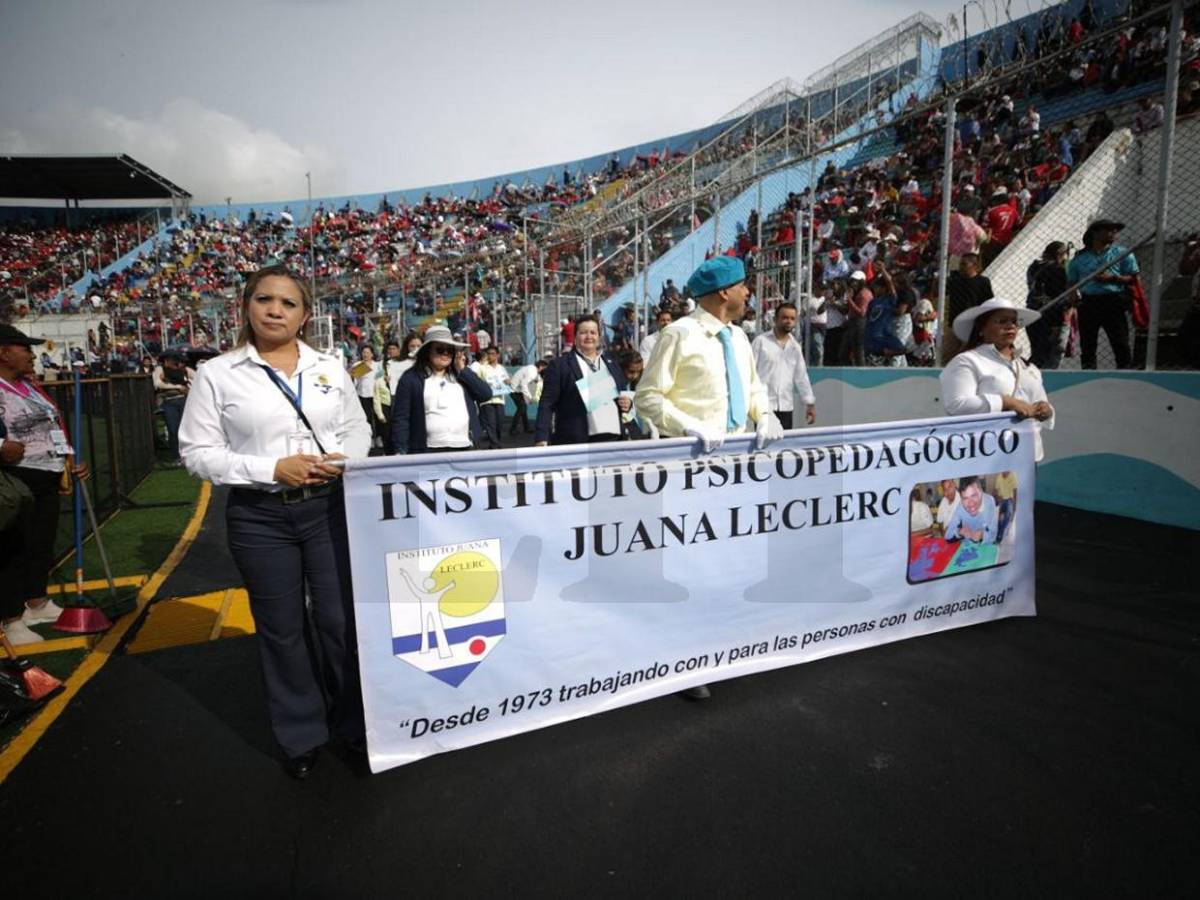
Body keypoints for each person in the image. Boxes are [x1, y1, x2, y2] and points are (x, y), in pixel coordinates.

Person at [178, 264, 371, 780]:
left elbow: (358, 427)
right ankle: (301, 735)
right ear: (246, 306)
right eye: (264, 299)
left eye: (288, 303)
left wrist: (343, 457)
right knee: (282, 630)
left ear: (305, 315)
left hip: (329, 507)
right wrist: (270, 469)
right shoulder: (219, 373)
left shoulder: (330, 366)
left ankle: (355, 724)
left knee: (339, 622)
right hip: (259, 518)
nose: (275, 310)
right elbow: (197, 454)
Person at [635, 256, 782, 701]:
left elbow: (752, 388)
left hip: (737, 470)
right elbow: (648, 397)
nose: (748, 294)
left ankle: (721, 646)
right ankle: (684, 661)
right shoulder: (678, 334)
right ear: (724, 293)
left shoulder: (738, 337)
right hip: (692, 470)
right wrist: (688, 425)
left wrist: (766, 413)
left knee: (732, 560)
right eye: (743, 287)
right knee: (691, 566)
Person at [0, 325, 86, 645]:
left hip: (46, 474)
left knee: (40, 543)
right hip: (15, 478)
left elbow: (52, 424)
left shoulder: (29, 386)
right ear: (3, 352)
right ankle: (11, 618)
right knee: (12, 549)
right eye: (24, 348)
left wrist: (68, 457)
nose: (32, 354)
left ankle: (36, 601)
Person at [940, 297, 1055, 461]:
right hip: (984, 456)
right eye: (1002, 321)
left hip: (1027, 455)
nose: (1010, 326)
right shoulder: (967, 361)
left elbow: (1039, 402)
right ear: (981, 328)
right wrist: (1005, 402)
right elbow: (956, 405)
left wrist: (1046, 410)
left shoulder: (1028, 367)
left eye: (1014, 322)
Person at [389, 326, 493, 454]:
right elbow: (401, 418)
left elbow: (486, 394)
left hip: (465, 447)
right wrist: (401, 450)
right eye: (440, 349)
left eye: (450, 350)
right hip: (427, 450)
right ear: (427, 351)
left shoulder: (461, 375)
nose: (446, 353)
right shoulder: (411, 378)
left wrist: (463, 369)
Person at [535, 315, 630, 446]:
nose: (589, 337)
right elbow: (547, 403)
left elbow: (623, 394)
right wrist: (541, 437)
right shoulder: (560, 365)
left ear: (599, 337)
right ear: (575, 338)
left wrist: (628, 404)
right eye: (583, 333)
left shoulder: (611, 363)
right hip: (578, 440)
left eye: (593, 332)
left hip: (614, 439)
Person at [1067, 218, 1137, 369]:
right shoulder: (1079, 259)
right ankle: (1088, 374)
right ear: (1094, 233)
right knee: (1087, 344)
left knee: (1120, 341)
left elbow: (1133, 278)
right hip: (1088, 302)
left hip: (1113, 300)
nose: (1113, 233)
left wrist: (1112, 277)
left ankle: (1126, 372)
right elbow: (1072, 282)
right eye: (1108, 229)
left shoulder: (1122, 253)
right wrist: (1072, 294)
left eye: (1115, 230)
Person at [751, 302, 815, 429]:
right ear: (775, 319)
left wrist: (810, 403)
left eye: (792, 318)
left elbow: (801, 377)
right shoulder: (760, 342)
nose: (788, 321)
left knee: (783, 447)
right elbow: (749, 373)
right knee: (763, 447)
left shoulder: (795, 347)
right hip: (764, 406)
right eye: (785, 317)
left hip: (786, 406)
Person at [942, 253, 995, 361]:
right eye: (960, 264)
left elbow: (988, 302)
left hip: (973, 324)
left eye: (964, 264)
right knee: (946, 354)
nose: (960, 267)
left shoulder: (982, 282)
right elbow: (938, 293)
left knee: (967, 353)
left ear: (975, 266)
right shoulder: (955, 281)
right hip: (955, 323)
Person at [153, 351, 195, 464]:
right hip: (169, 401)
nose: (173, 362)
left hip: (183, 400)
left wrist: (189, 387)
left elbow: (197, 377)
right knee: (173, 430)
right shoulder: (160, 370)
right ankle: (176, 456)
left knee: (185, 429)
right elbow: (157, 383)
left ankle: (187, 454)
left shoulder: (185, 370)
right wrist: (177, 386)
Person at [470, 345, 509, 449]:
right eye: (488, 354)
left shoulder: (501, 368)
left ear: (497, 355)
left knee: (499, 423)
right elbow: (475, 380)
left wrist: (509, 382)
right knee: (491, 423)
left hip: (500, 399)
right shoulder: (482, 367)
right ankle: (495, 445)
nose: (490, 356)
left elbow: (506, 380)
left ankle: (495, 443)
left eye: (492, 354)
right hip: (487, 400)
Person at [943, 476, 998, 544]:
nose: (971, 504)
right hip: (967, 547)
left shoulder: (989, 501)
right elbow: (947, 536)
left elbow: (994, 535)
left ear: (981, 492)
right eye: (965, 498)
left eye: (974, 495)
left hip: (985, 546)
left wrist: (983, 535)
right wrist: (960, 532)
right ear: (961, 498)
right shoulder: (960, 507)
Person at [507, 357, 547, 435]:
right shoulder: (533, 372)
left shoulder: (533, 370)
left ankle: (526, 428)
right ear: (541, 366)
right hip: (515, 391)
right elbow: (523, 384)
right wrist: (529, 396)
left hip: (516, 390)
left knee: (523, 409)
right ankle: (513, 429)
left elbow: (538, 380)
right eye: (545, 368)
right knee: (521, 409)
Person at [351, 345, 380, 446]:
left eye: (368, 352)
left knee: (377, 417)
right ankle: (369, 439)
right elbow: (354, 380)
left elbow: (381, 378)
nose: (365, 354)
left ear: (372, 354)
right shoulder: (358, 364)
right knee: (366, 418)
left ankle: (378, 438)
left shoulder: (377, 365)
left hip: (376, 395)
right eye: (364, 352)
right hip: (362, 395)